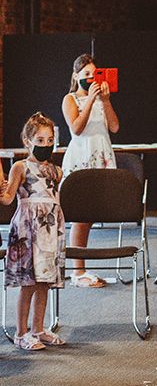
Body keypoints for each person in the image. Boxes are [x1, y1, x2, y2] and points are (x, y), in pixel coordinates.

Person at [0, 113, 66, 351]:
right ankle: (21, 332)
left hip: (50, 229)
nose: (46, 145)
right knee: (28, 283)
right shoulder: (21, 167)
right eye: (40, 140)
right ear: (28, 141)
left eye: (50, 141)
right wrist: (1, 188)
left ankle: (38, 329)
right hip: (28, 230)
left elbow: (54, 200)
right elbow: (9, 199)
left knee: (44, 282)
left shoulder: (57, 171)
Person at [61, 53, 120, 288]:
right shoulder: (70, 99)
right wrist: (89, 102)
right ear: (77, 77)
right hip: (82, 157)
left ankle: (80, 266)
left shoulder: (101, 100)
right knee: (81, 216)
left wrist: (104, 101)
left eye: (93, 74)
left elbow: (115, 127)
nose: (89, 78)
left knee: (92, 215)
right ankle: (78, 271)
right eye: (85, 74)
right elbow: (76, 128)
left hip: (101, 155)